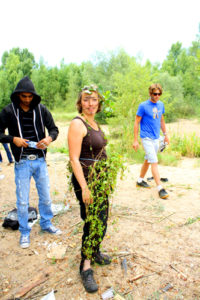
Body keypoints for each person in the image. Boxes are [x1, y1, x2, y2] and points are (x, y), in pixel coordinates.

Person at [0, 76, 62, 248]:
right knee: (22, 201)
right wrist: (13, 139)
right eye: (23, 96)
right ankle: (25, 232)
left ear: (34, 96)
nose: (27, 100)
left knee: (46, 197)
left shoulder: (41, 110)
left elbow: (54, 129)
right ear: (18, 95)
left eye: (30, 96)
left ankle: (46, 224)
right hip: (22, 162)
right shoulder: (8, 111)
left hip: (40, 160)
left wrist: (49, 138)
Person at [68, 85, 111, 293]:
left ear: (99, 102)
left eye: (94, 100)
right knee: (93, 222)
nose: (90, 104)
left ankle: (94, 251)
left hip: (100, 181)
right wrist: (84, 188)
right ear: (80, 102)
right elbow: (74, 159)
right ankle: (85, 267)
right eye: (86, 100)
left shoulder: (94, 123)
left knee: (101, 220)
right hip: (87, 181)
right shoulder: (78, 124)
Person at [132, 83, 170, 199]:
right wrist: (135, 140)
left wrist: (165, 135)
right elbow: (136, 122)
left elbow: (162, 120)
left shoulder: (161, 105)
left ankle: (140, 180)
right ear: (150, 94)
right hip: (146, 138)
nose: (157, 96)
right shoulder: (143, 106)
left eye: (159, 94)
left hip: (156, 137)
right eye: (155, 94)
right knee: (154, 161)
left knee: (148, 159)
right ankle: (160, 188)